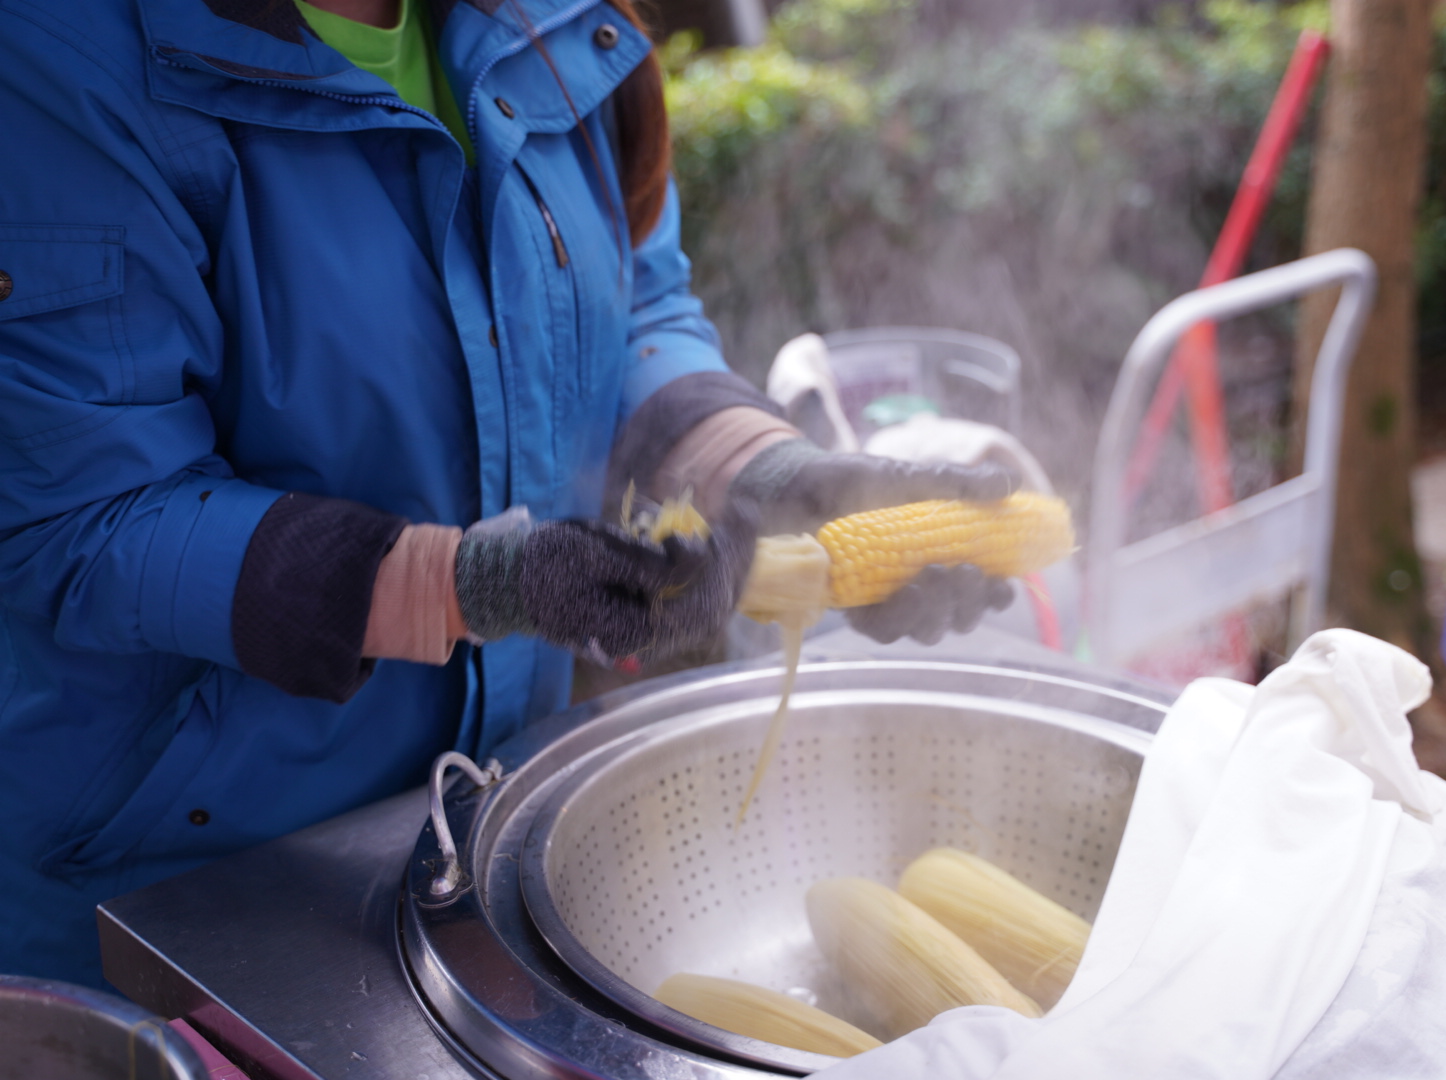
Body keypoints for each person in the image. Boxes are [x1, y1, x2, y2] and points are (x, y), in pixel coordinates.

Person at [0, 0, 1017, 986]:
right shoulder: (59, 59)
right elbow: (84, 521)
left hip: (475, 837)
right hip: (175, 908)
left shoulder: (552, 15)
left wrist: (762, 471)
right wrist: (464, 585)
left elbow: (632, 308)